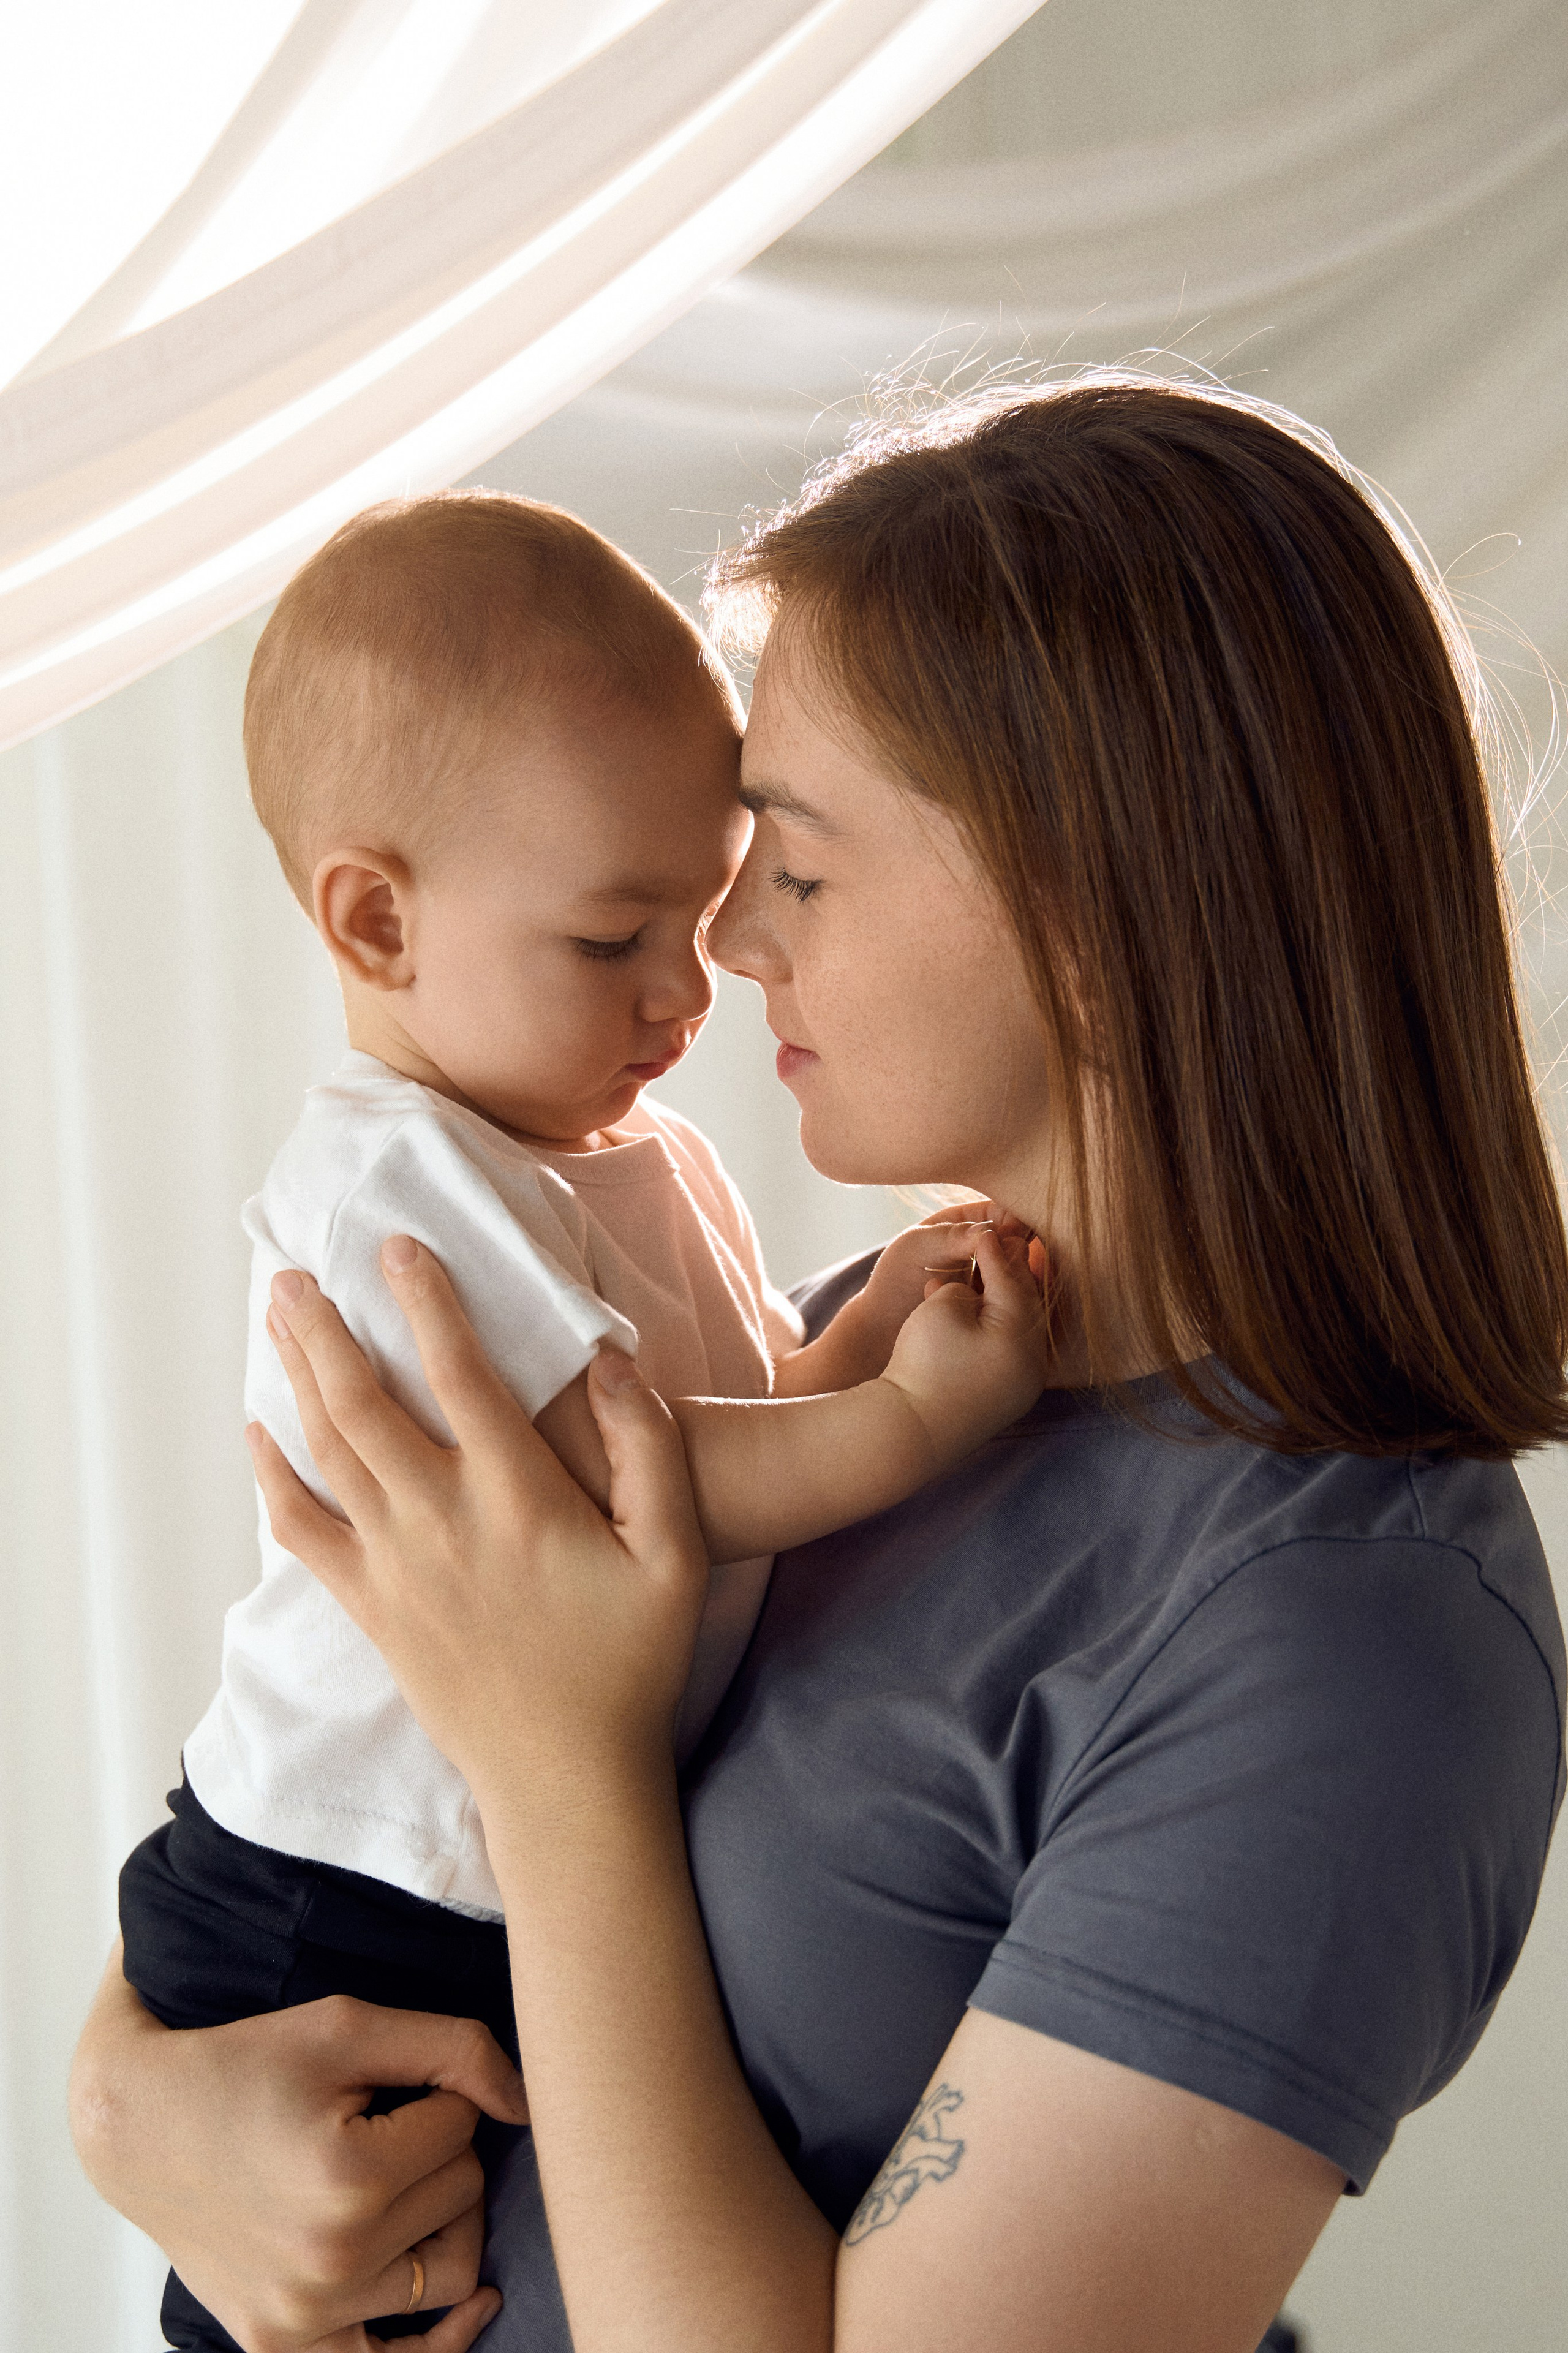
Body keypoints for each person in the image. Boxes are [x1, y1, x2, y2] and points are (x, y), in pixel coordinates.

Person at [73, 376, 1567, 2353]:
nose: (729, 952)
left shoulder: (1347, 1637)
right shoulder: (911, 1346)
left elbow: (533, 1755)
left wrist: (559, 1762)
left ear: (1100, 904)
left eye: (790, 861)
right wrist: (134, 2102)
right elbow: (344, 1779)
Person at [113, 491, 1049, 2351]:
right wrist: (917, 1429)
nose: (693, 993)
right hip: (338, 1891)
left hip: (456, 1867)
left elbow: (739, 1405)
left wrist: (857, 1341)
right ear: (376, 920)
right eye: (619, 934)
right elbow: (640, 1491)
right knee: (359, 2296)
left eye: (702, 915)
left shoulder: (633, 1156)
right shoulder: (403, 1181)